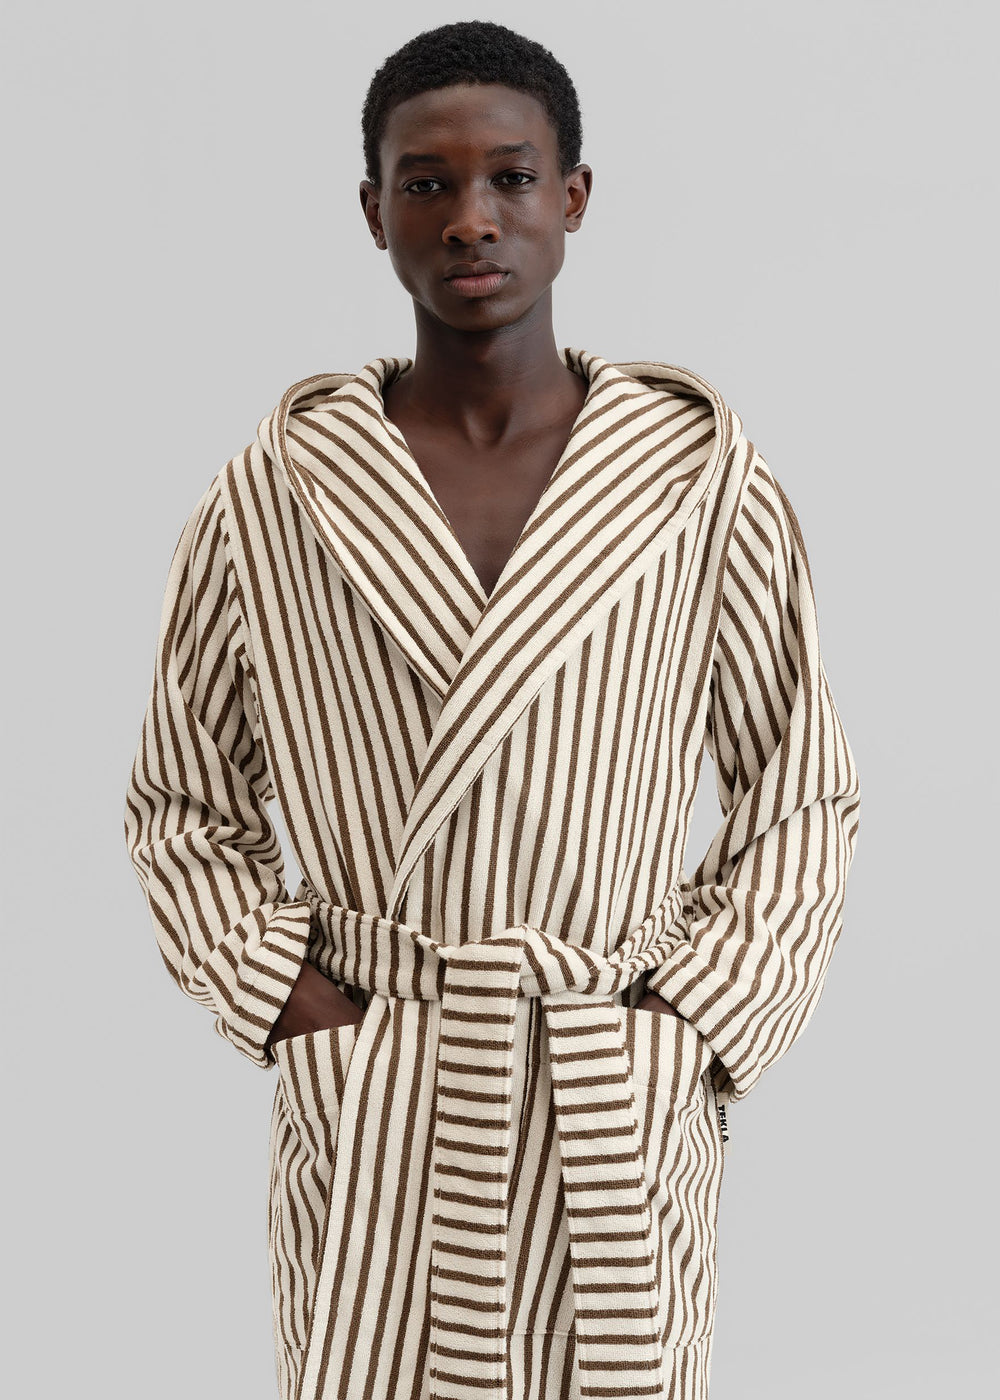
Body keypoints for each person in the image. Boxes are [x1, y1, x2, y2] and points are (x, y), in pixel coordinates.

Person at [123, 19, 861, 1400]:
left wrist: (691, 1018)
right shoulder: (271, 498)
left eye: (512, 179)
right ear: (374, 211)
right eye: (429, 184)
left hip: (607, 1078)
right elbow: (183, 802)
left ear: (572, 198)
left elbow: (799, 789)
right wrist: (294, 1001)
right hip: (384, 1080)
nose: (473, 218)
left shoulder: (700, 488)